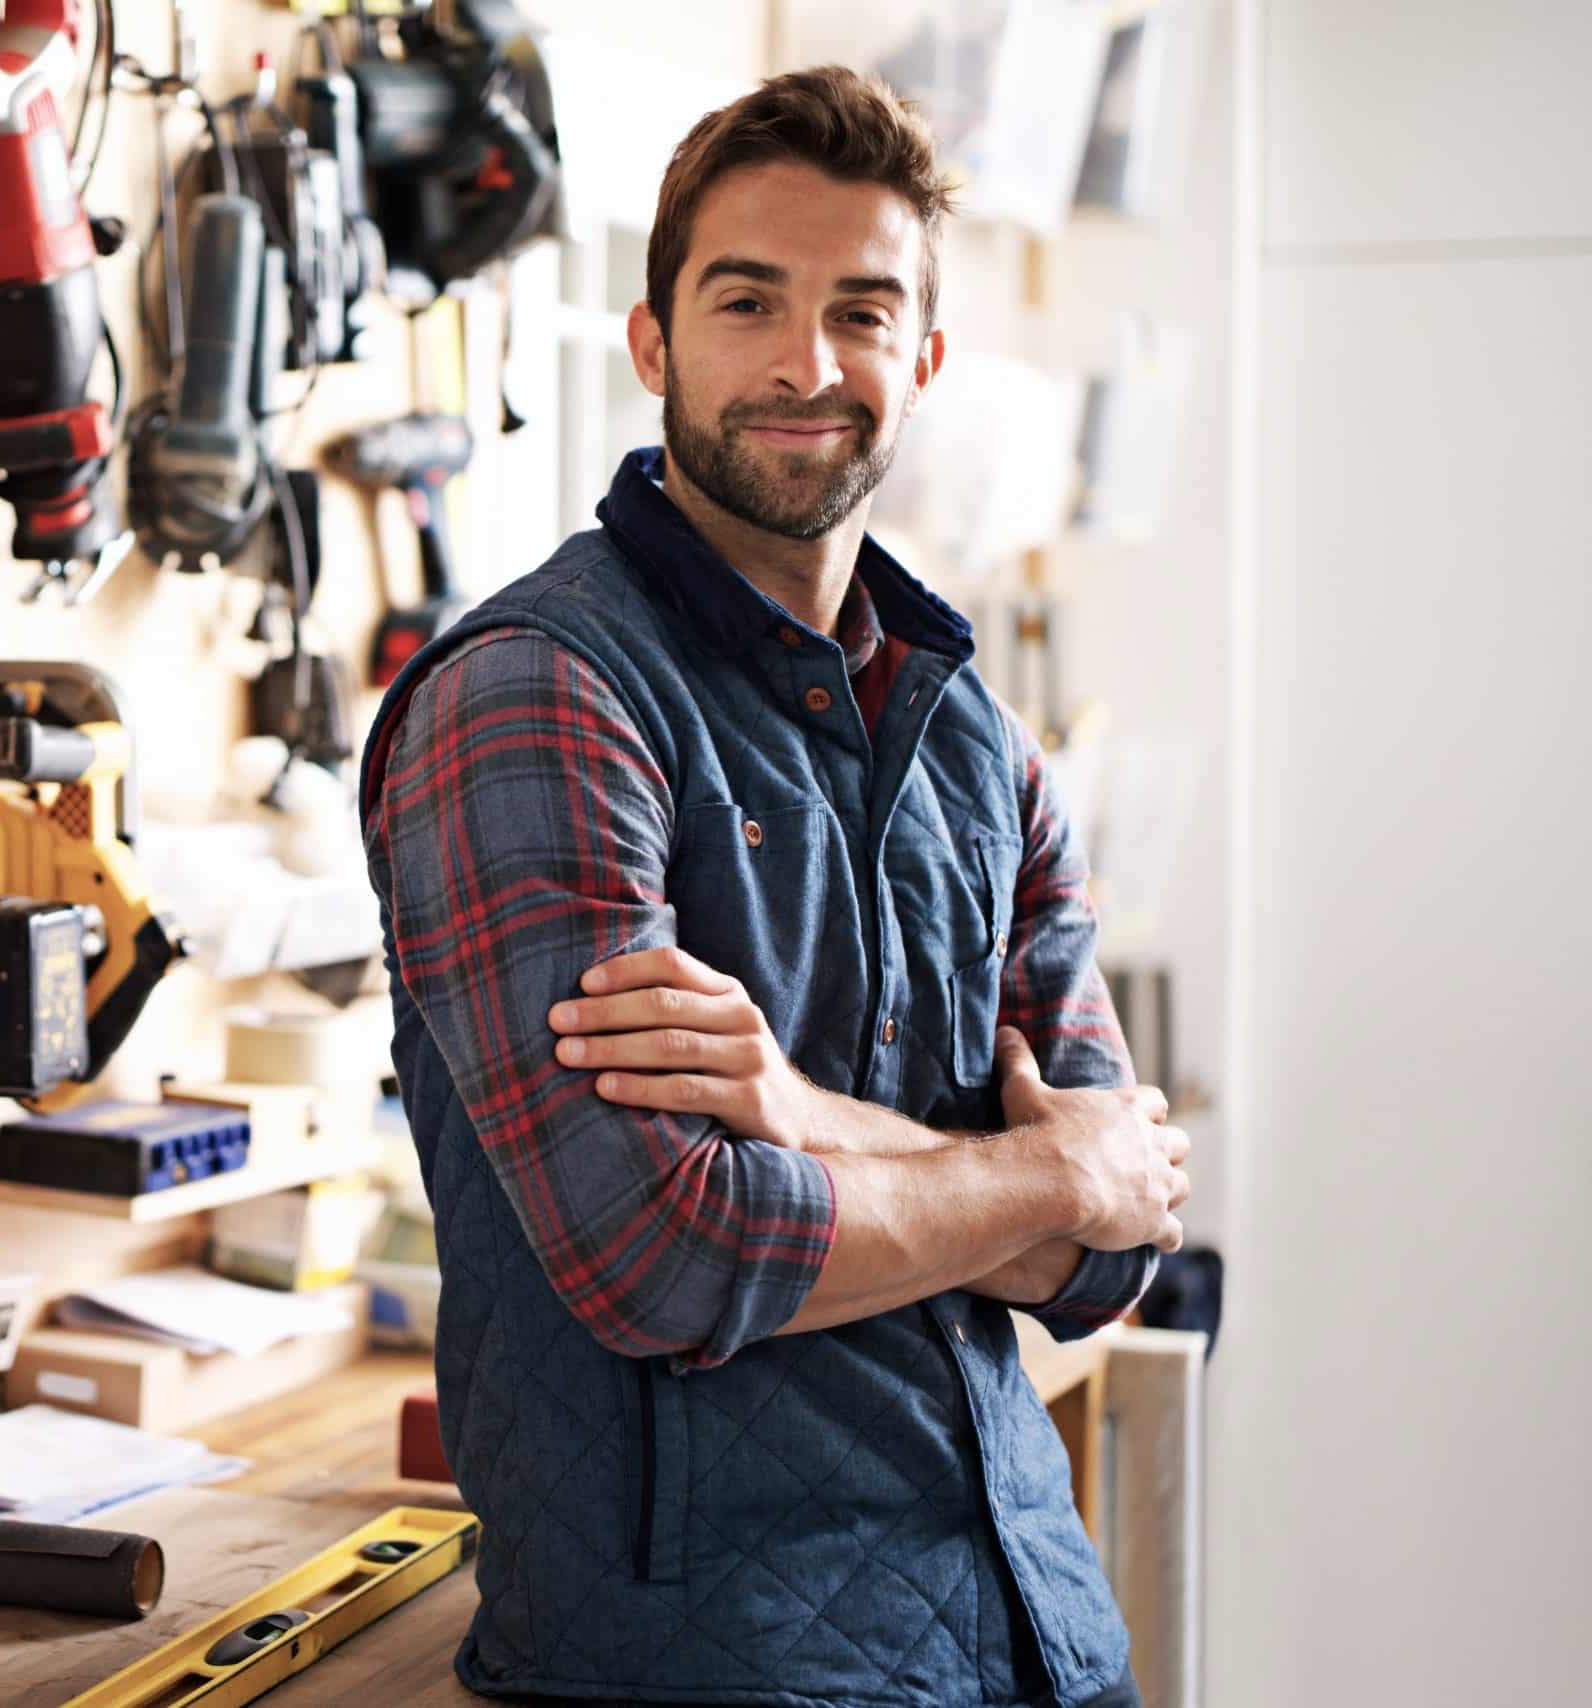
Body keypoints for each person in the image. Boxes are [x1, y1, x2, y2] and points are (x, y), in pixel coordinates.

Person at [358, 65, 1189, 1708]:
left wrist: (800, 1115)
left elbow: (1121, 1254)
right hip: (702, 1663)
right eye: (750, 301)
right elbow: (666, 1254)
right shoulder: (537, 696)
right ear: (653, 341)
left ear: (925, 359)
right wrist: (1047, 1175)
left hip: (1040, 1632)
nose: (809, 364)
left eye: (863, 311)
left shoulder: (975, 743)